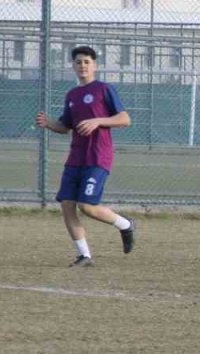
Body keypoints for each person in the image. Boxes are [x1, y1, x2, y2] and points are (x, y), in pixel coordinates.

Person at [34, 45, 135, 267]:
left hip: (98, 157)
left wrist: (98, 121)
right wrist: (49, 123)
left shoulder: (104, 89)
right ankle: (84, 256)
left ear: (95, 65)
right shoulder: (72, 95)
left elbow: (125, 119)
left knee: (87, 206)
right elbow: (65, 126)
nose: (82, 66)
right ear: (73, 66)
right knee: (67, 205)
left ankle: (126, 225)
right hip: (75, 158)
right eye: (78, 62)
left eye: (87, 62)